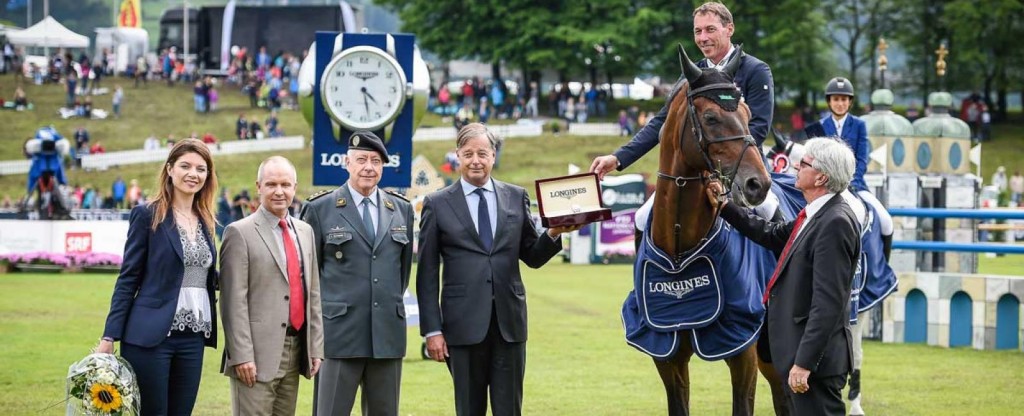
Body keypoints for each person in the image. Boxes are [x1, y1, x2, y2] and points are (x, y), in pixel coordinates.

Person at [416, 123, 581, 416]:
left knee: (510, 409)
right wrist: (432, 330)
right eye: (468, 154)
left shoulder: (516, 197)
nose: (475, 160)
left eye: (482, 153)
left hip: (509, 325)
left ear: (493, 155)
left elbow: (532, 255)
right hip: (461, 327)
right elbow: (427, 273)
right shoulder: (437, 203)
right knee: (469, 408)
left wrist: (554, 232)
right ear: (457, 156)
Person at [708, 137, 859, 415]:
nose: (796, 168)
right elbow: (771, 234)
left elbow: (828, 304)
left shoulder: (835, 221)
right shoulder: (815, 214)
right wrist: (724, 206)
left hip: (816, 363)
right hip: (801, 355)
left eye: (804, 164)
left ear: (822, 177)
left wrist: (804, 363)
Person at [97, 139, 220, 415]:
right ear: (170, 169)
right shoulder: (147, 215)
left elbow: (201, 273)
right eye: (185, 166)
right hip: (150, 337)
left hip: (193, 336)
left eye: (201, 169)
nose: (193, 174)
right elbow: (128, 278)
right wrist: (109, 336)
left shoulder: (206, 220)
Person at [590, 1, 774, 180]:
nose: (703, 38)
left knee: (767, 209)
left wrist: (721, 163)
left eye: (710, 29)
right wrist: (618, 158)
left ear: (730, 29)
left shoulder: (756, 70)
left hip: (745, 172)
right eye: (697, 31)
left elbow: (758, 128)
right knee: (642, 213)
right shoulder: (691, 75)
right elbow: (663, 120)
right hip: (696, 175)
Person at [300, 131, 414, 416]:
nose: (368, 167)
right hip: (339, 336)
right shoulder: (320, 208)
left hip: (386, 336)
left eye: (376, 161)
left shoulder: (401, 209)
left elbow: (401, 275)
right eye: (361, 159)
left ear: (383, 167)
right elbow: (309, 277)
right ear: (346, 163)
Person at [220, 156, 324, 416]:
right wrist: (242, 355)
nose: (279, 191)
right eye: (272, 184)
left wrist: (315, 347)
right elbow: (233, 302)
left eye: (286, 185)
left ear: (295, 188)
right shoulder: (239, 232)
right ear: (259, 186)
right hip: (255, 355)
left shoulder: (305, 231)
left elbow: (313, 293)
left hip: (295, 350)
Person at [806, 77, 894, 257]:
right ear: (829, 101)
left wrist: (849, 181)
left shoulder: (860, 125)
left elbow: (862, 159)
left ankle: (882, 267)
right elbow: (813, 160)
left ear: (850, 102)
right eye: (836, 99)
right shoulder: (820, 127)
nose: (840, 103)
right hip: (824, 187)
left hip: (856, 185)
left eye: (844, 99)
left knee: (885, 220)